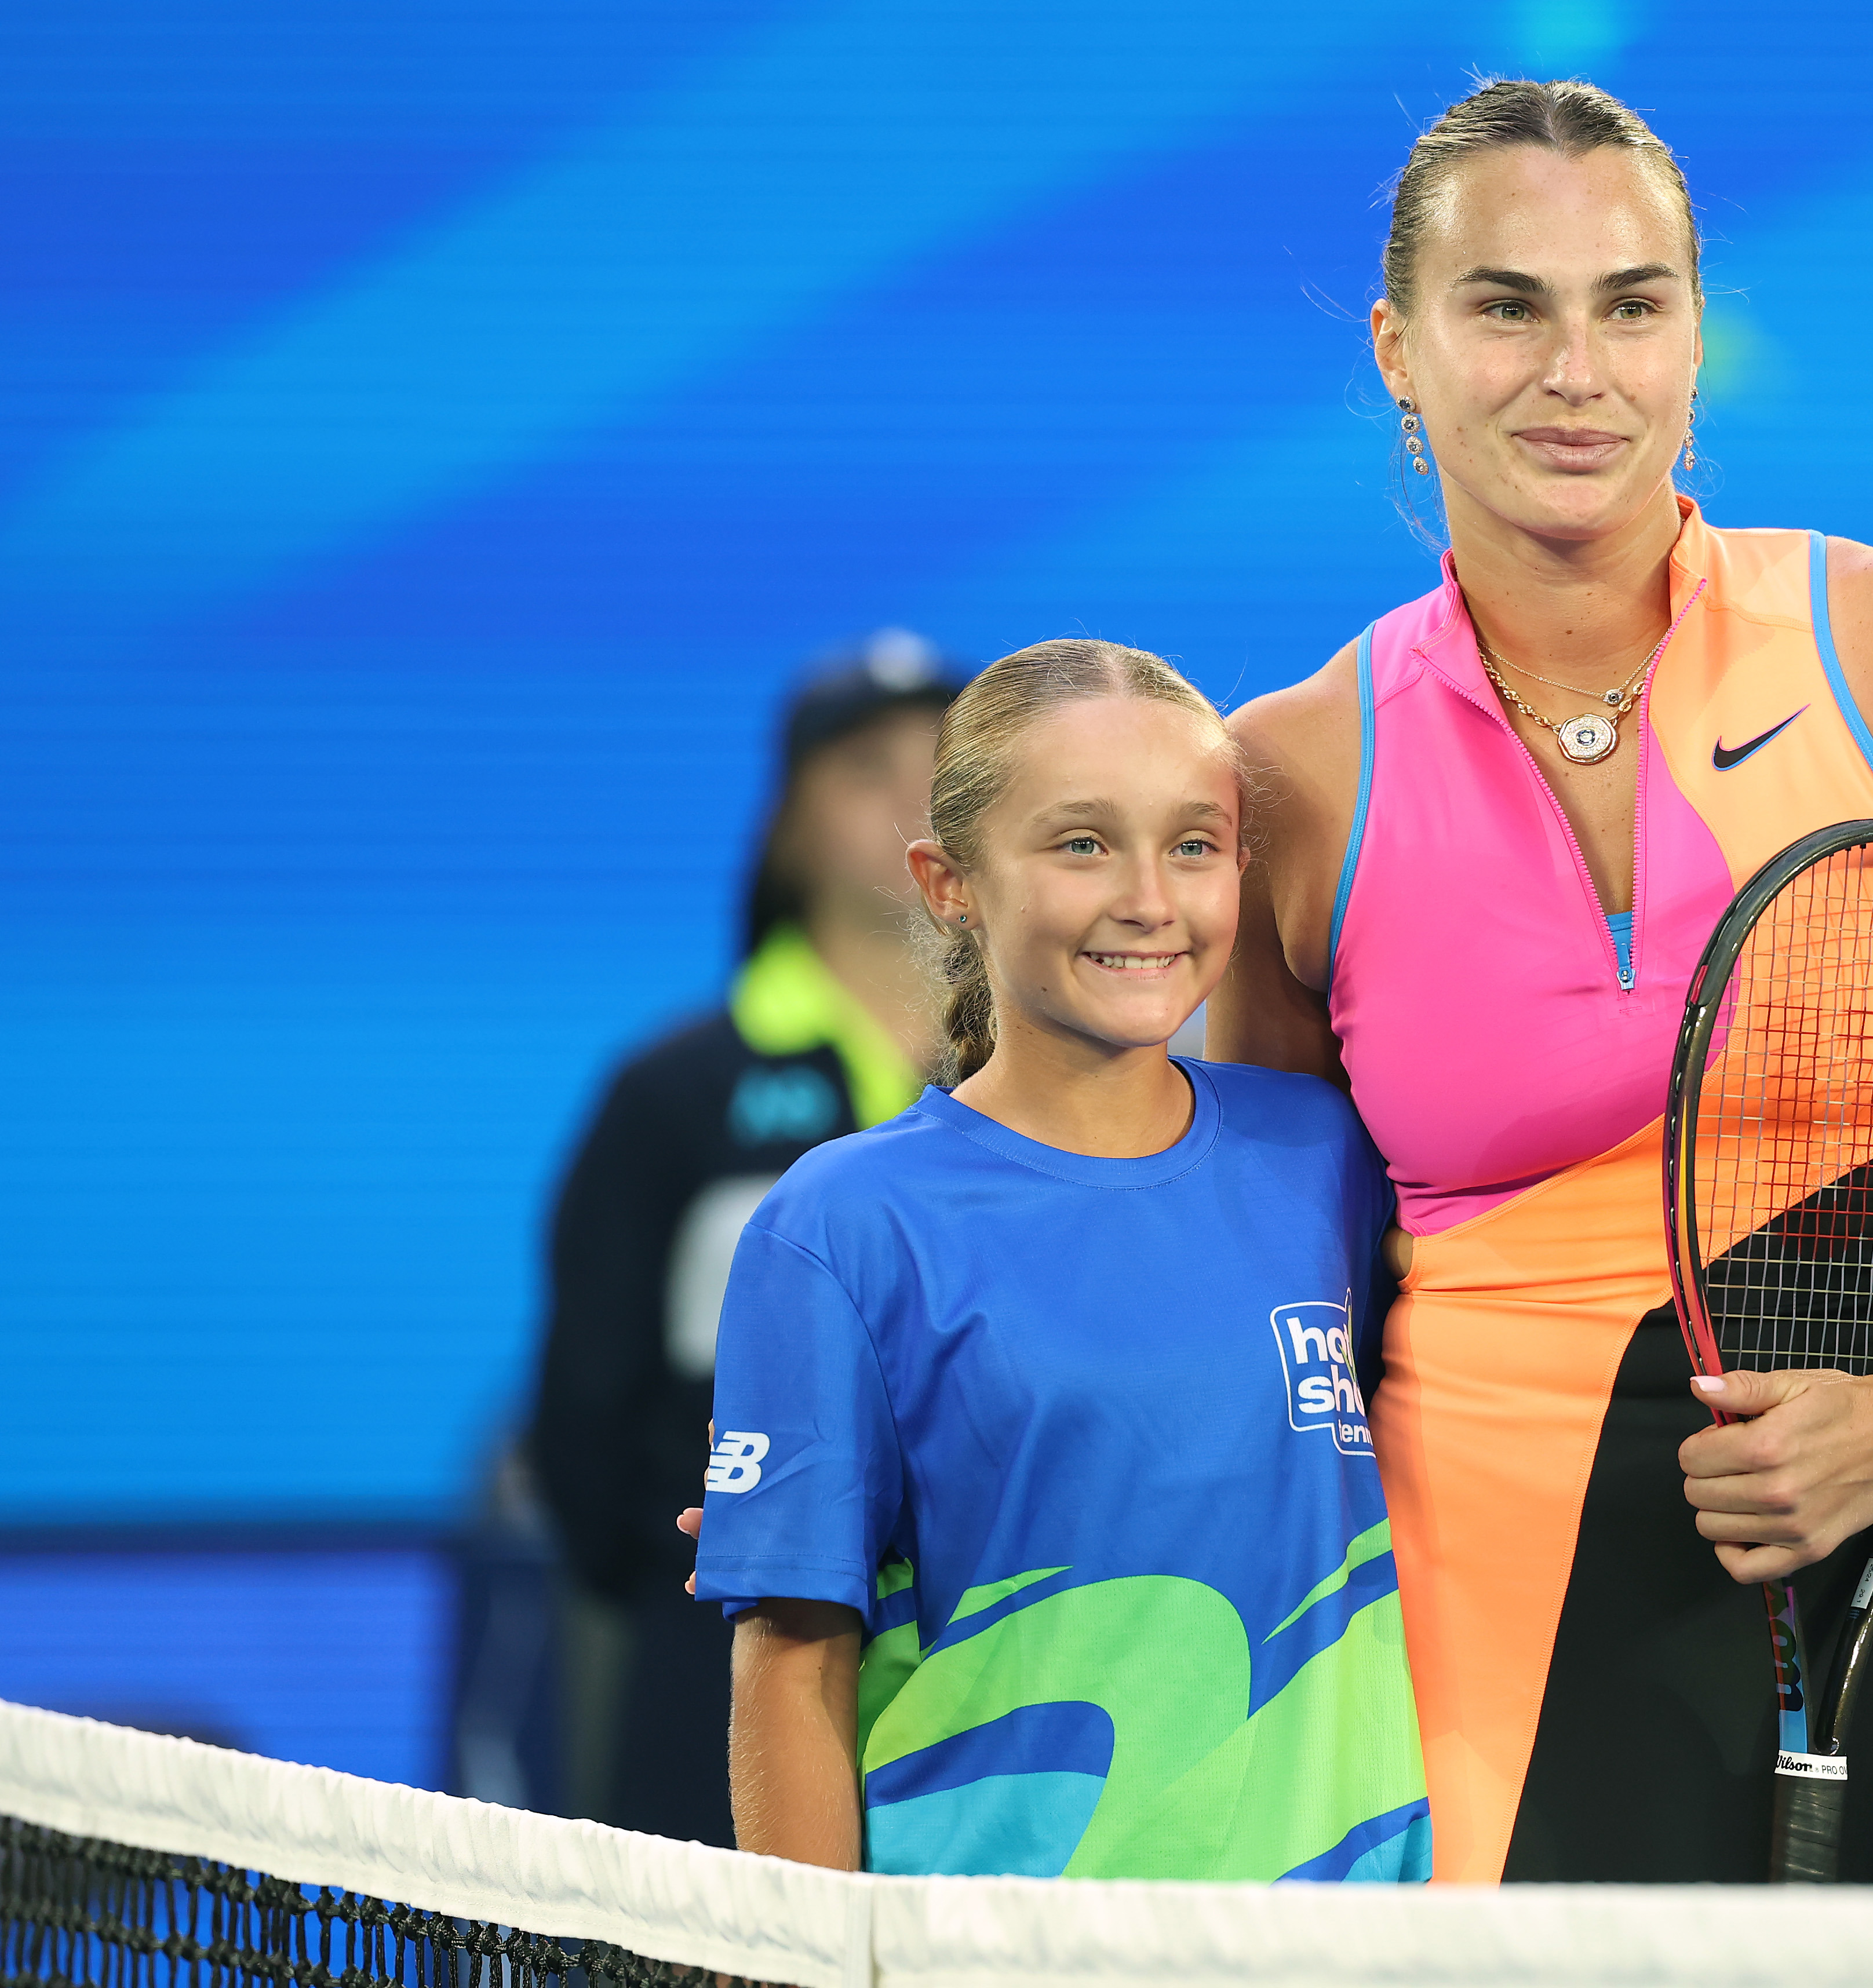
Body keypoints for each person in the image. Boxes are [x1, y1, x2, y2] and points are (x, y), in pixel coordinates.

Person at [1214, 80, 1873, 1885]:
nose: (1575, 370)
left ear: (1697, 334)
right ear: (1397, 349)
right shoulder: (1280, 781)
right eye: (1505, 305)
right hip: (1480, 1641)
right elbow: (1257, 1299)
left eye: (1631, 303)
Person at [690, 640, 1430, 1881]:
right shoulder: (841, 1223)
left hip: (1346, 1946)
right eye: (1081, 842)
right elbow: (790, 1657)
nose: (1148, 895)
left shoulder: (1330, 1156)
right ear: (948, 883)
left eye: (1193, 843)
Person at [531, 632, 959, 1843]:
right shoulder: (668, 1093)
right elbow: (584, 1426)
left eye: (946, 759)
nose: (914, 792)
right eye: (866, 765)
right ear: (786, 829)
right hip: (715, 1691)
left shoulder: (1068, 1088)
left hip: (989, 1682)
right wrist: (716, 1600)